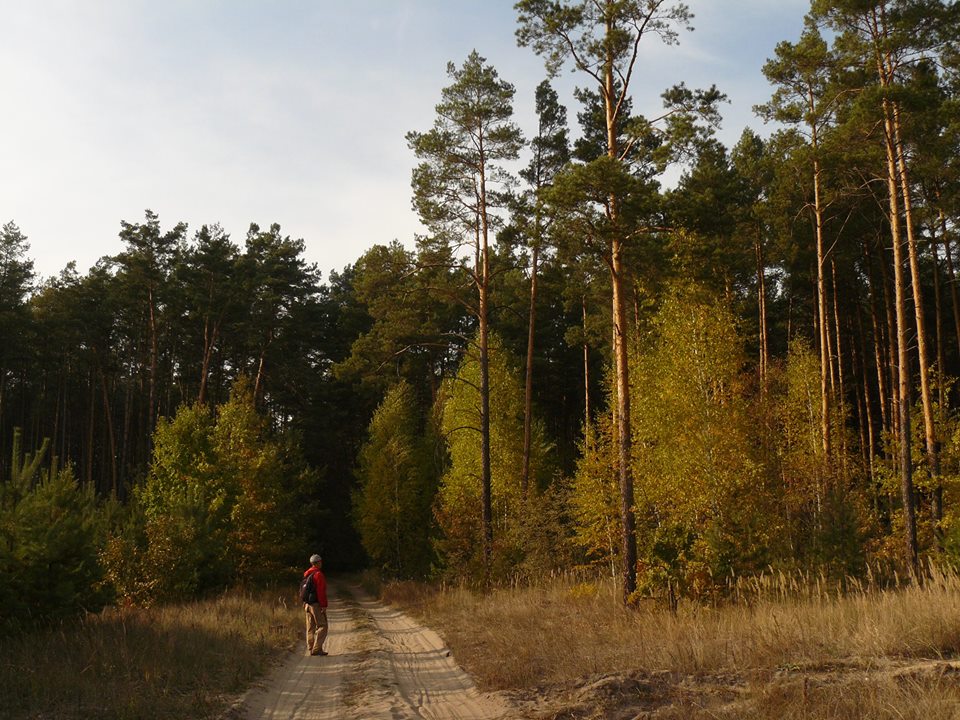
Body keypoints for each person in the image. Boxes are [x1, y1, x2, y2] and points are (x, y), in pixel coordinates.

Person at [303, 553, 328, 656]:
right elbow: (320, 591)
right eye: (320, 561)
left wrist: (304, 602)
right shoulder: (318, 574)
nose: (321, 563)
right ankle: (317, 649)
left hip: (307, 605)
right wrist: (323, 605)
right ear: (317, 563)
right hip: (316, 604)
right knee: (323, 626)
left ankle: (310, 647)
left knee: (310, 627)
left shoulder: (306, 574)